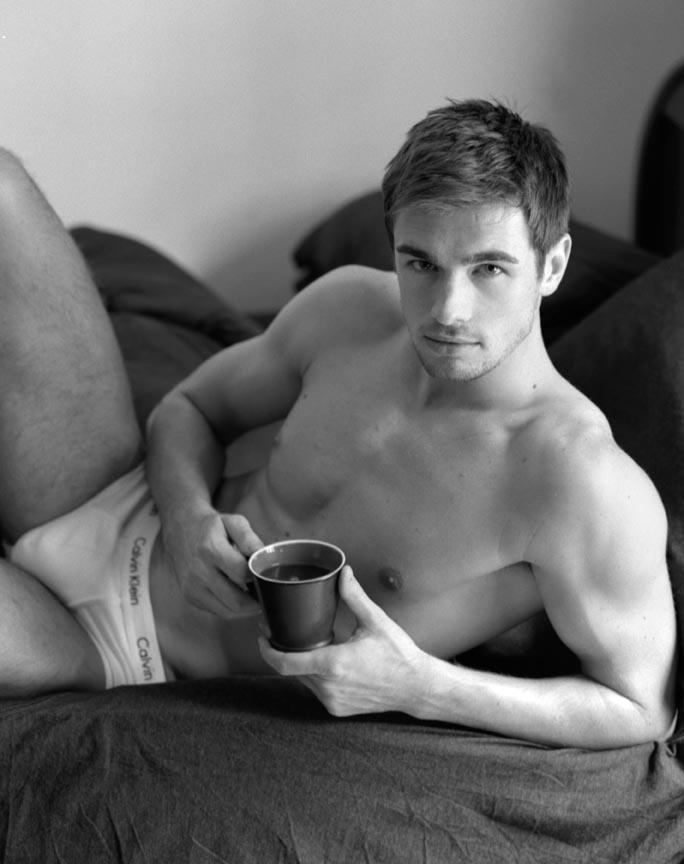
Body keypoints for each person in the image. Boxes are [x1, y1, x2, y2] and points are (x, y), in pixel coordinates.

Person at [0, 100, 676, 750]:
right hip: (118, 498)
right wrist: (184, 517)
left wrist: (423, 687)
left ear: (552, 265)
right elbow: (191, 408)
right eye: (421, 263)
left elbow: (640, 706)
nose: (448, 310)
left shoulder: (582, 482)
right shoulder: (348, 309)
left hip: (128, 656)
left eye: (489, 269)